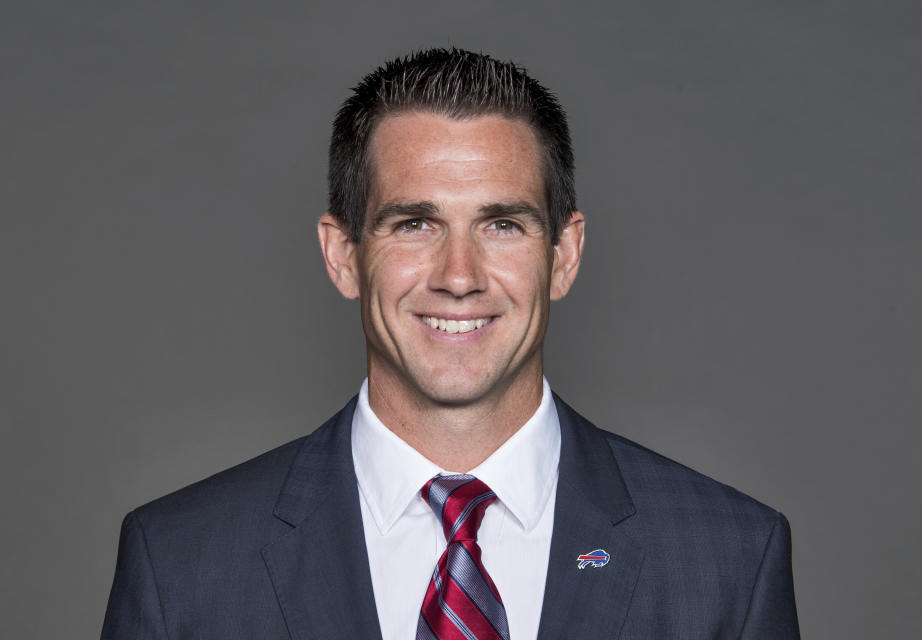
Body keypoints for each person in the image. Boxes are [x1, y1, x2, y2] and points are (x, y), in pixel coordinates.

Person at [101, 48, 800, 639]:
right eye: (414, 224)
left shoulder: (728, 559)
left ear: (564, 255)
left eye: (502, 225)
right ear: (343, 255)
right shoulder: (182, 564)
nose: (459, 277)